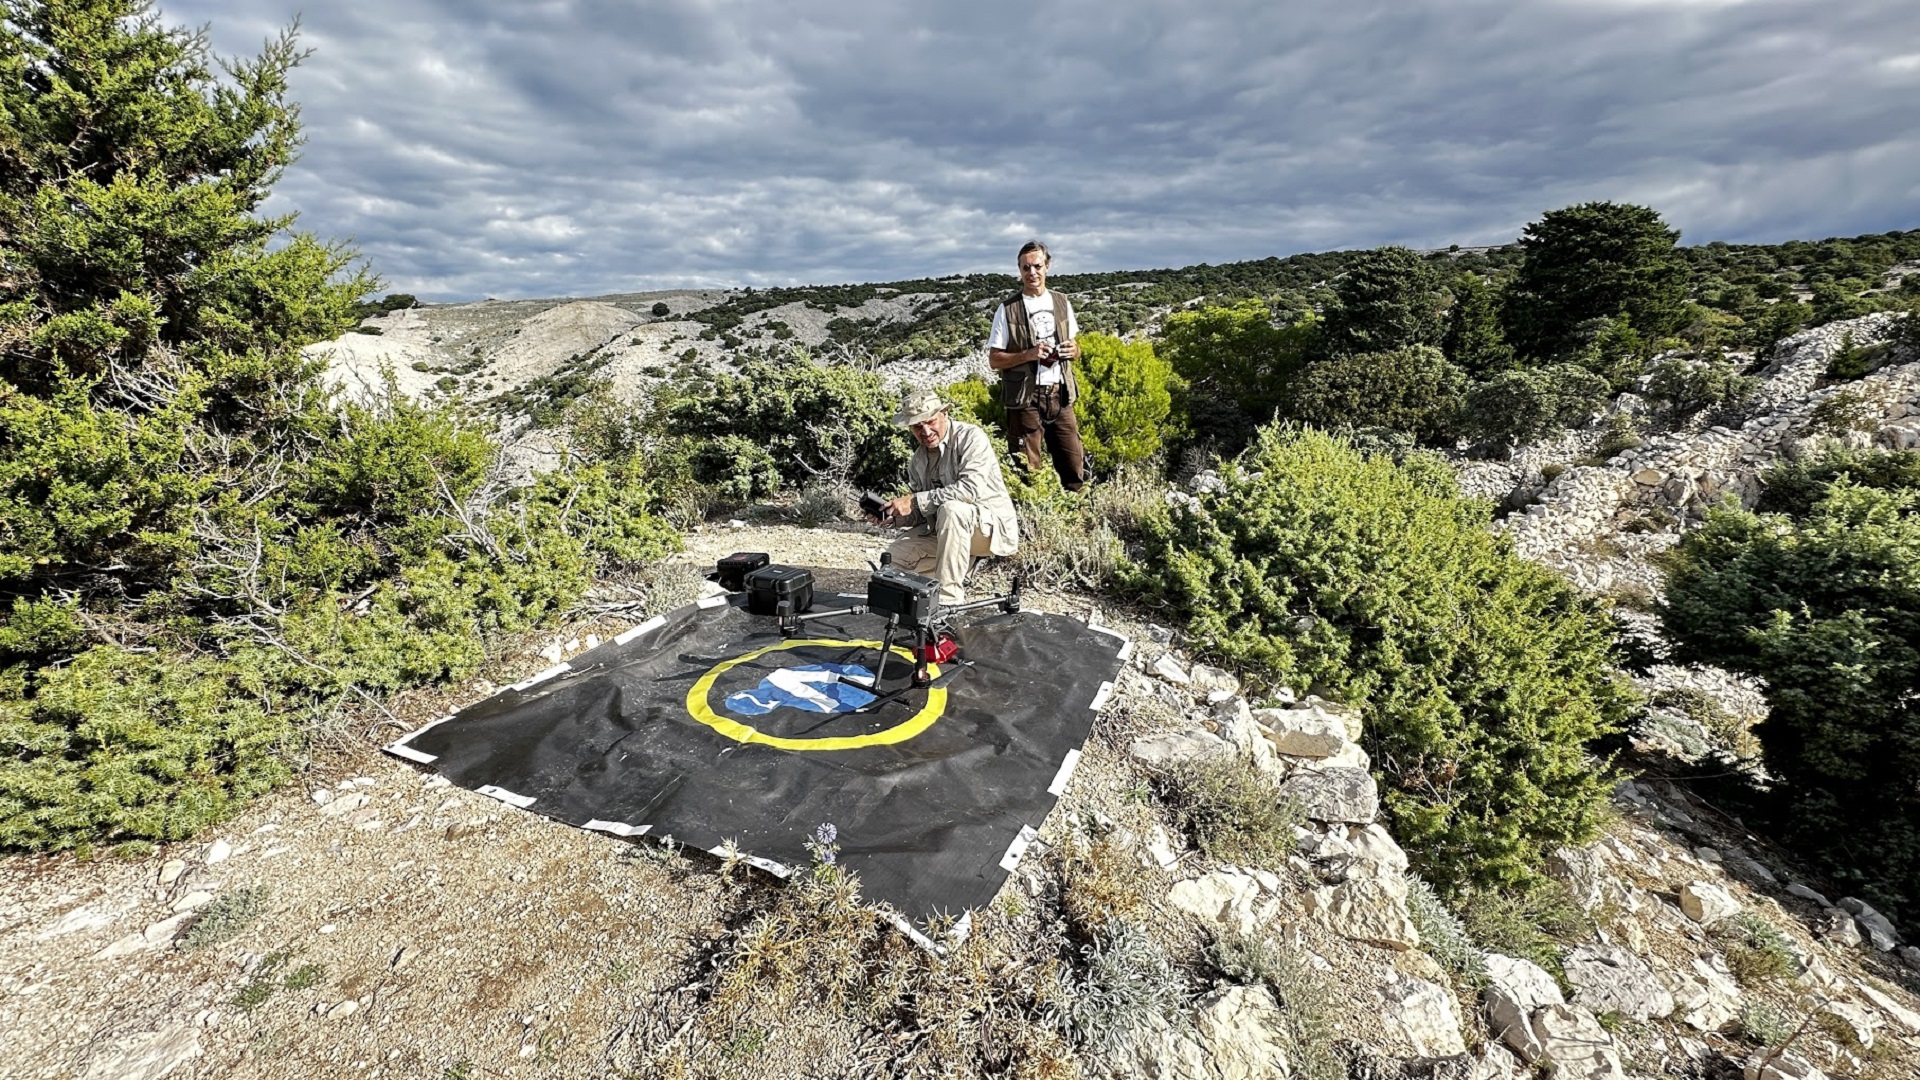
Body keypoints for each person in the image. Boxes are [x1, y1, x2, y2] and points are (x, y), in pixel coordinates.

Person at [875, 388, 1019, 605]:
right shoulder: (917, 461)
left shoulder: (972, 438)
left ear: (944, 414)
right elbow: (924, 514)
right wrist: (894, 517)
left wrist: (913, 501)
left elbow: (970, 490)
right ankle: (923, 595)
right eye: (916, 426)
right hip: (944, 531)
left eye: (930, 421)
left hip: (989, 530)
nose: (925, 431)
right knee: (894, 559)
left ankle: (948, 602)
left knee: (952, 509)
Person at [987, 239, 1088, 491]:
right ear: (1019, 271)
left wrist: (1074, 351)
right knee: (1027, 468)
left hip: (1060, 393)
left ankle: (1076, 513)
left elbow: (1076, 346)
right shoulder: (1007, 309)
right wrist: (1028, 355)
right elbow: (994, 359)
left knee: (1073, 460)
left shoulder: (1062, 302)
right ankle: (1033, 519)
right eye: (1025, 268)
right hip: (1025, 398)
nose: (1032, 273)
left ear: (1047, 266)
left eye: (1037, 266)